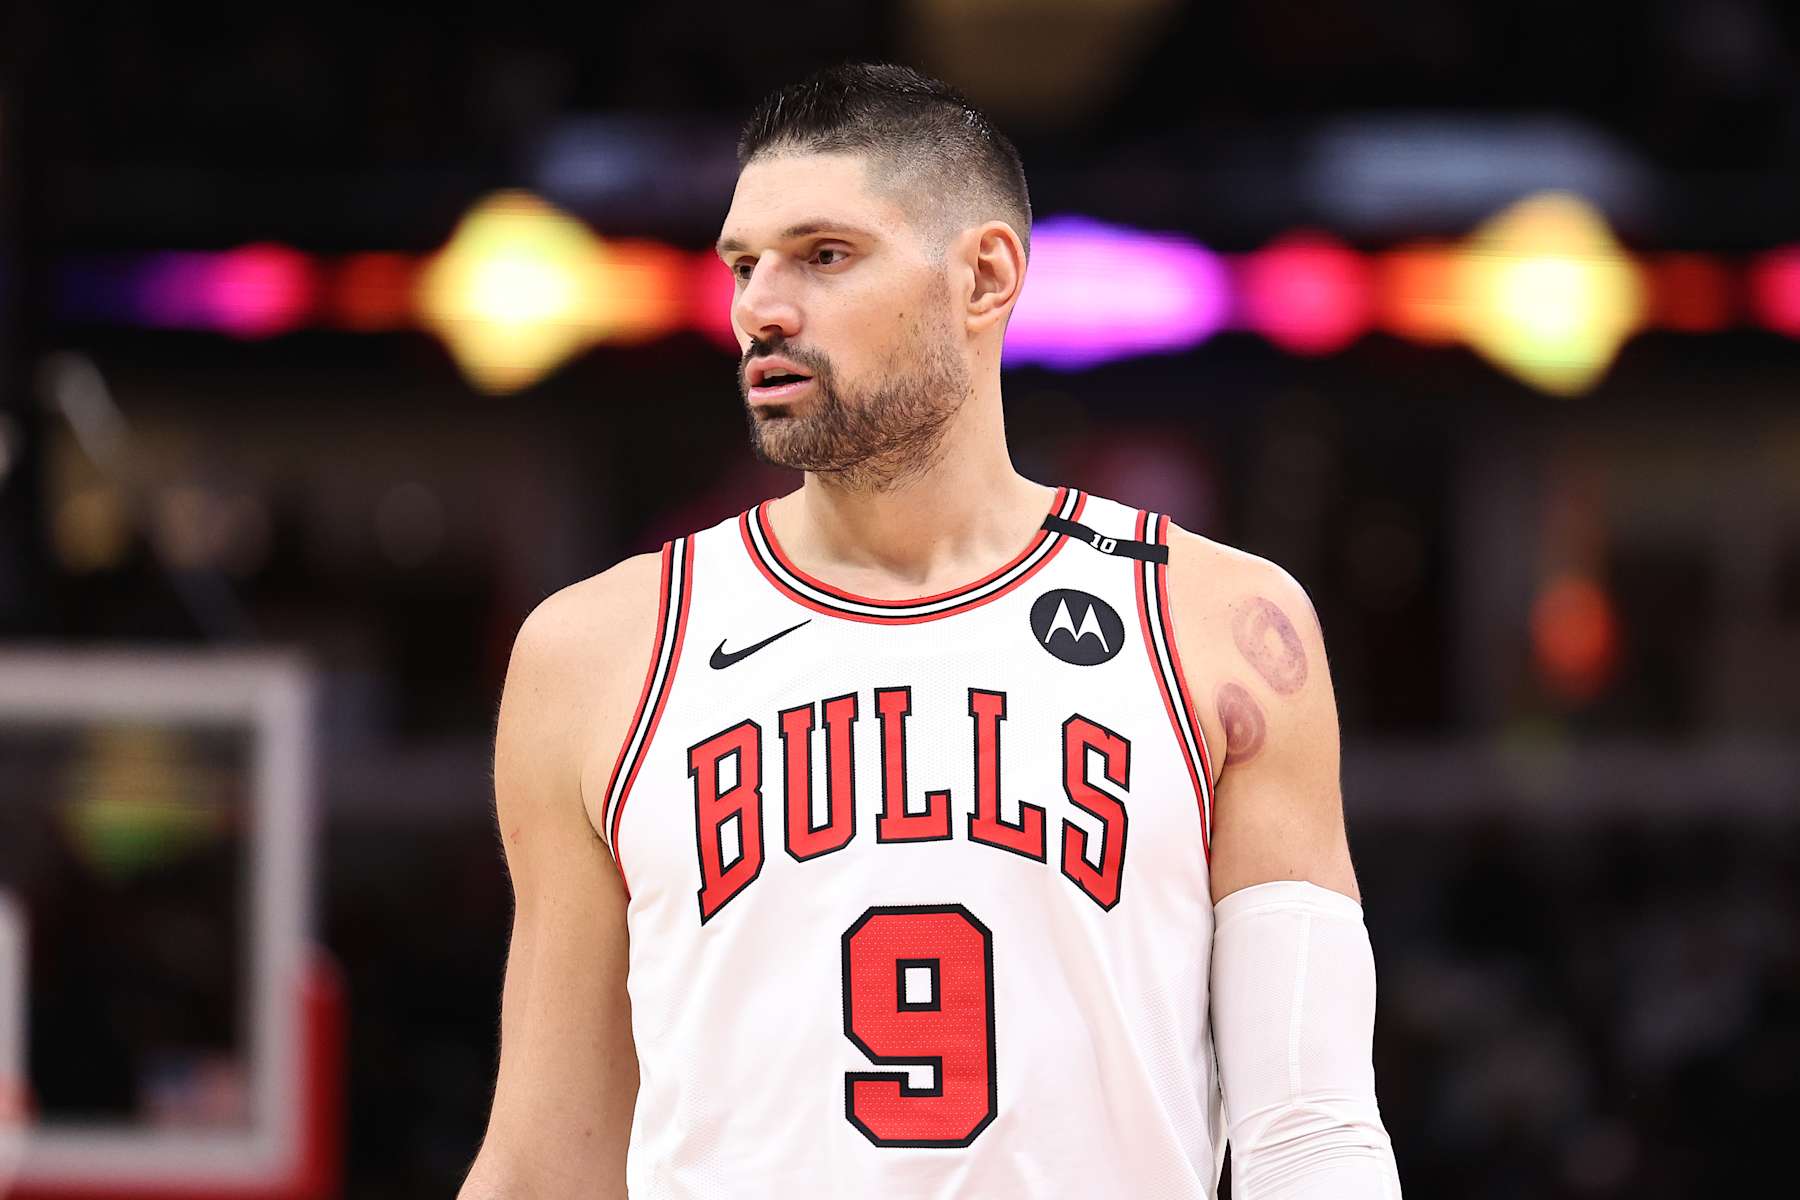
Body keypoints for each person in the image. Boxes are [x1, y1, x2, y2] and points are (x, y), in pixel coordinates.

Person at [459, 62, 1401, 1199]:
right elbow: (547, 1162)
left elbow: (1312, 1136)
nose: (760, 308)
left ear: (984, 276)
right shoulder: (596, 651)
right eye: (744, 265)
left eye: (823, 255)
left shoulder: (1217, 625)